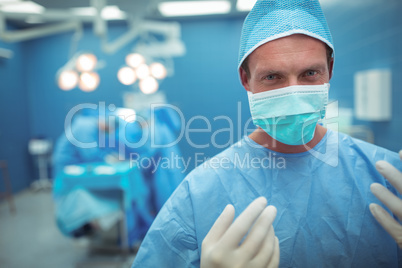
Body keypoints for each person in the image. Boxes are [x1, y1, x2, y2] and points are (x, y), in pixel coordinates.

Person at [132, 0, 402, 267]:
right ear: (245, 79)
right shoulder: (201, 192)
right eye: (273, 77)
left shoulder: (388, 176)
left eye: (310, 73)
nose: (293, 93)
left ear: (329, 70)